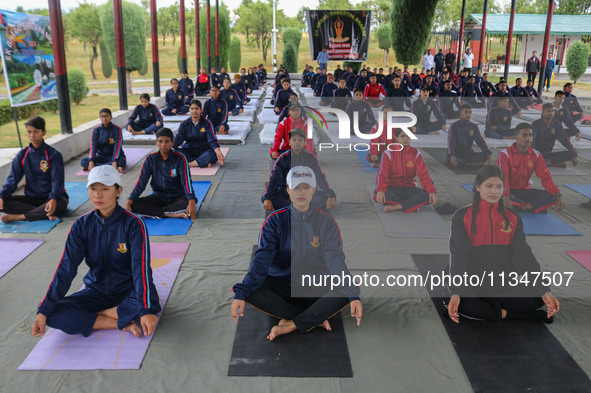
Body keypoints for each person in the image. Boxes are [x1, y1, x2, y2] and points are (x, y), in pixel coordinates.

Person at [233, 165, 361, 341]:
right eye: (296, 187)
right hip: (282, 286)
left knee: (348, 287)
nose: (301, 192)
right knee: (250, 290)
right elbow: (262, 260)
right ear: (288, 190)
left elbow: (334, 259)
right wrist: (242, 293)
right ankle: (311, 318)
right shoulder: (274, 221)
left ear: (314, 190)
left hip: (313, 287)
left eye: (306, 187)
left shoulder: (326, 222)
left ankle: (291, 323)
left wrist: (352, 295)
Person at [32, 165, 160, 338]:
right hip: (96, 291)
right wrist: (43, 310)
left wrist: (146, 309)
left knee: (147, 301)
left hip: (128, 290)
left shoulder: (134, 224)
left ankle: (101, 313)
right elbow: (66, 269)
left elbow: (141, 268)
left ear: (118, 191)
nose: (97, 195)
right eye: (93, 188)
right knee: (52, 313)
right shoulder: (81, 225)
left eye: (105, 189)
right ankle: (116, 321)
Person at [447, 165, 560, 324]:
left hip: (503, 285)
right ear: (478, 187)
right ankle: (521, 316)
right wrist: (456, 292)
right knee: (457, 299)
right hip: (474, 285)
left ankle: (493, 310)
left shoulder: (513, 218)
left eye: (499, 187)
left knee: (538, 295)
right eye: (489, 186)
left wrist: (545, 290)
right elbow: (459, 256)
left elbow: (524, 256)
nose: (494, 191)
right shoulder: (462, 217)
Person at [0, 116, 68, 223]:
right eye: (29, 132)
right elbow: (13, 179)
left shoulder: (53, 155)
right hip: (31, 199)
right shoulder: (22, 155)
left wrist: (53, 199)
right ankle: (44, 213)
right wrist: (2, 195)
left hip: (52, 198)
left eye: (36, 132)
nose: (32, 135)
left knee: (60, 204)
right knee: (3, 203)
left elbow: (57, 181)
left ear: (43, 132)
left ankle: (21, 216)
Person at [125, 128, 197, 220]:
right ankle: (169, 214)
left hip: (177, 197)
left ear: (172, 142)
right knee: (134, 205)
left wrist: (191, 200)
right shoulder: (150, 159)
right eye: (160, 141)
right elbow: (141, 183)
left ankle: (157, 213)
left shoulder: (180, 158)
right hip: (158, 197)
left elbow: (186, 181)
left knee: (191, 202)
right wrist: (129, 201)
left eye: (167, 141)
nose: (163, 145)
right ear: (156, 142)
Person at [497, 123, 565, 214]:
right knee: (496, 196)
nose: (528, 138)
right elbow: (502, 177)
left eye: (530, 135)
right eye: (524, 135)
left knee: (552, 195)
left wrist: (558, 195)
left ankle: (523, 207)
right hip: (507, 190)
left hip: (525, 191)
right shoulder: (504, 154)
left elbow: (545, 177)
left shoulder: (536, 155)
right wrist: (505, 196)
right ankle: (532, 206)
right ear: (516, 137)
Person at [263, 130, 335, 211]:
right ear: (289, 142)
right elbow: (274, 179)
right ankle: (300, 205)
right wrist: (267, 198)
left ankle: (295, 206)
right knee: (273, 201)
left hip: (305, 191)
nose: (297, 142)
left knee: (325, 199)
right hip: (287, 192)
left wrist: (329, 195)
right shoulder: (283, 159)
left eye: (300, 140)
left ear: (304, 143)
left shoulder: (310, 158)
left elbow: (319, 176)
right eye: (294, 140)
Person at [374, 128, 436, 213]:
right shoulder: (388, 153)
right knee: (376, 193)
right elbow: (382, 175)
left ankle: (396, 207)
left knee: (428, 195)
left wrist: (431, 191)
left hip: (408, 188)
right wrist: (380, 191)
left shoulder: (416, 153)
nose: (406, 139)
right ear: (396, 137)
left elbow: (424, 175)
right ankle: (412, 204)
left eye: (408, 136)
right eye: (402, 136)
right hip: (392, 188)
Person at [173, 100, 225, 168]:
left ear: (201, 110)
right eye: (192, 109)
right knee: (174, 153)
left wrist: (218, 151)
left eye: (197, 108)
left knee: (212, 154)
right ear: (189, 110)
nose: (194, 111)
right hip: (189, 150)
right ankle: (201, 162)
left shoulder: (207, 123)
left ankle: (190, 164)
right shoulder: (184, 124)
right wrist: (171, 147)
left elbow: (212, 139)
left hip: (204, 150)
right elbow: (179, 138)